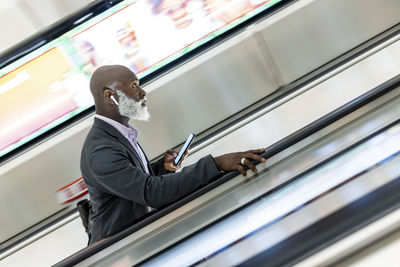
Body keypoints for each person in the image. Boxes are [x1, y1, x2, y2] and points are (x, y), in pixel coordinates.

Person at [80, 64, 266, 244]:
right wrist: (216, 164)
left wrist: (161, 168)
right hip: (118, 253)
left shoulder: (118, 134)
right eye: (133, 86)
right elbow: (151, 192)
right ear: (110, 96)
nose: (142, 92)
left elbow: (131, 182)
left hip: (138, 241)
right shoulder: (100, 150)